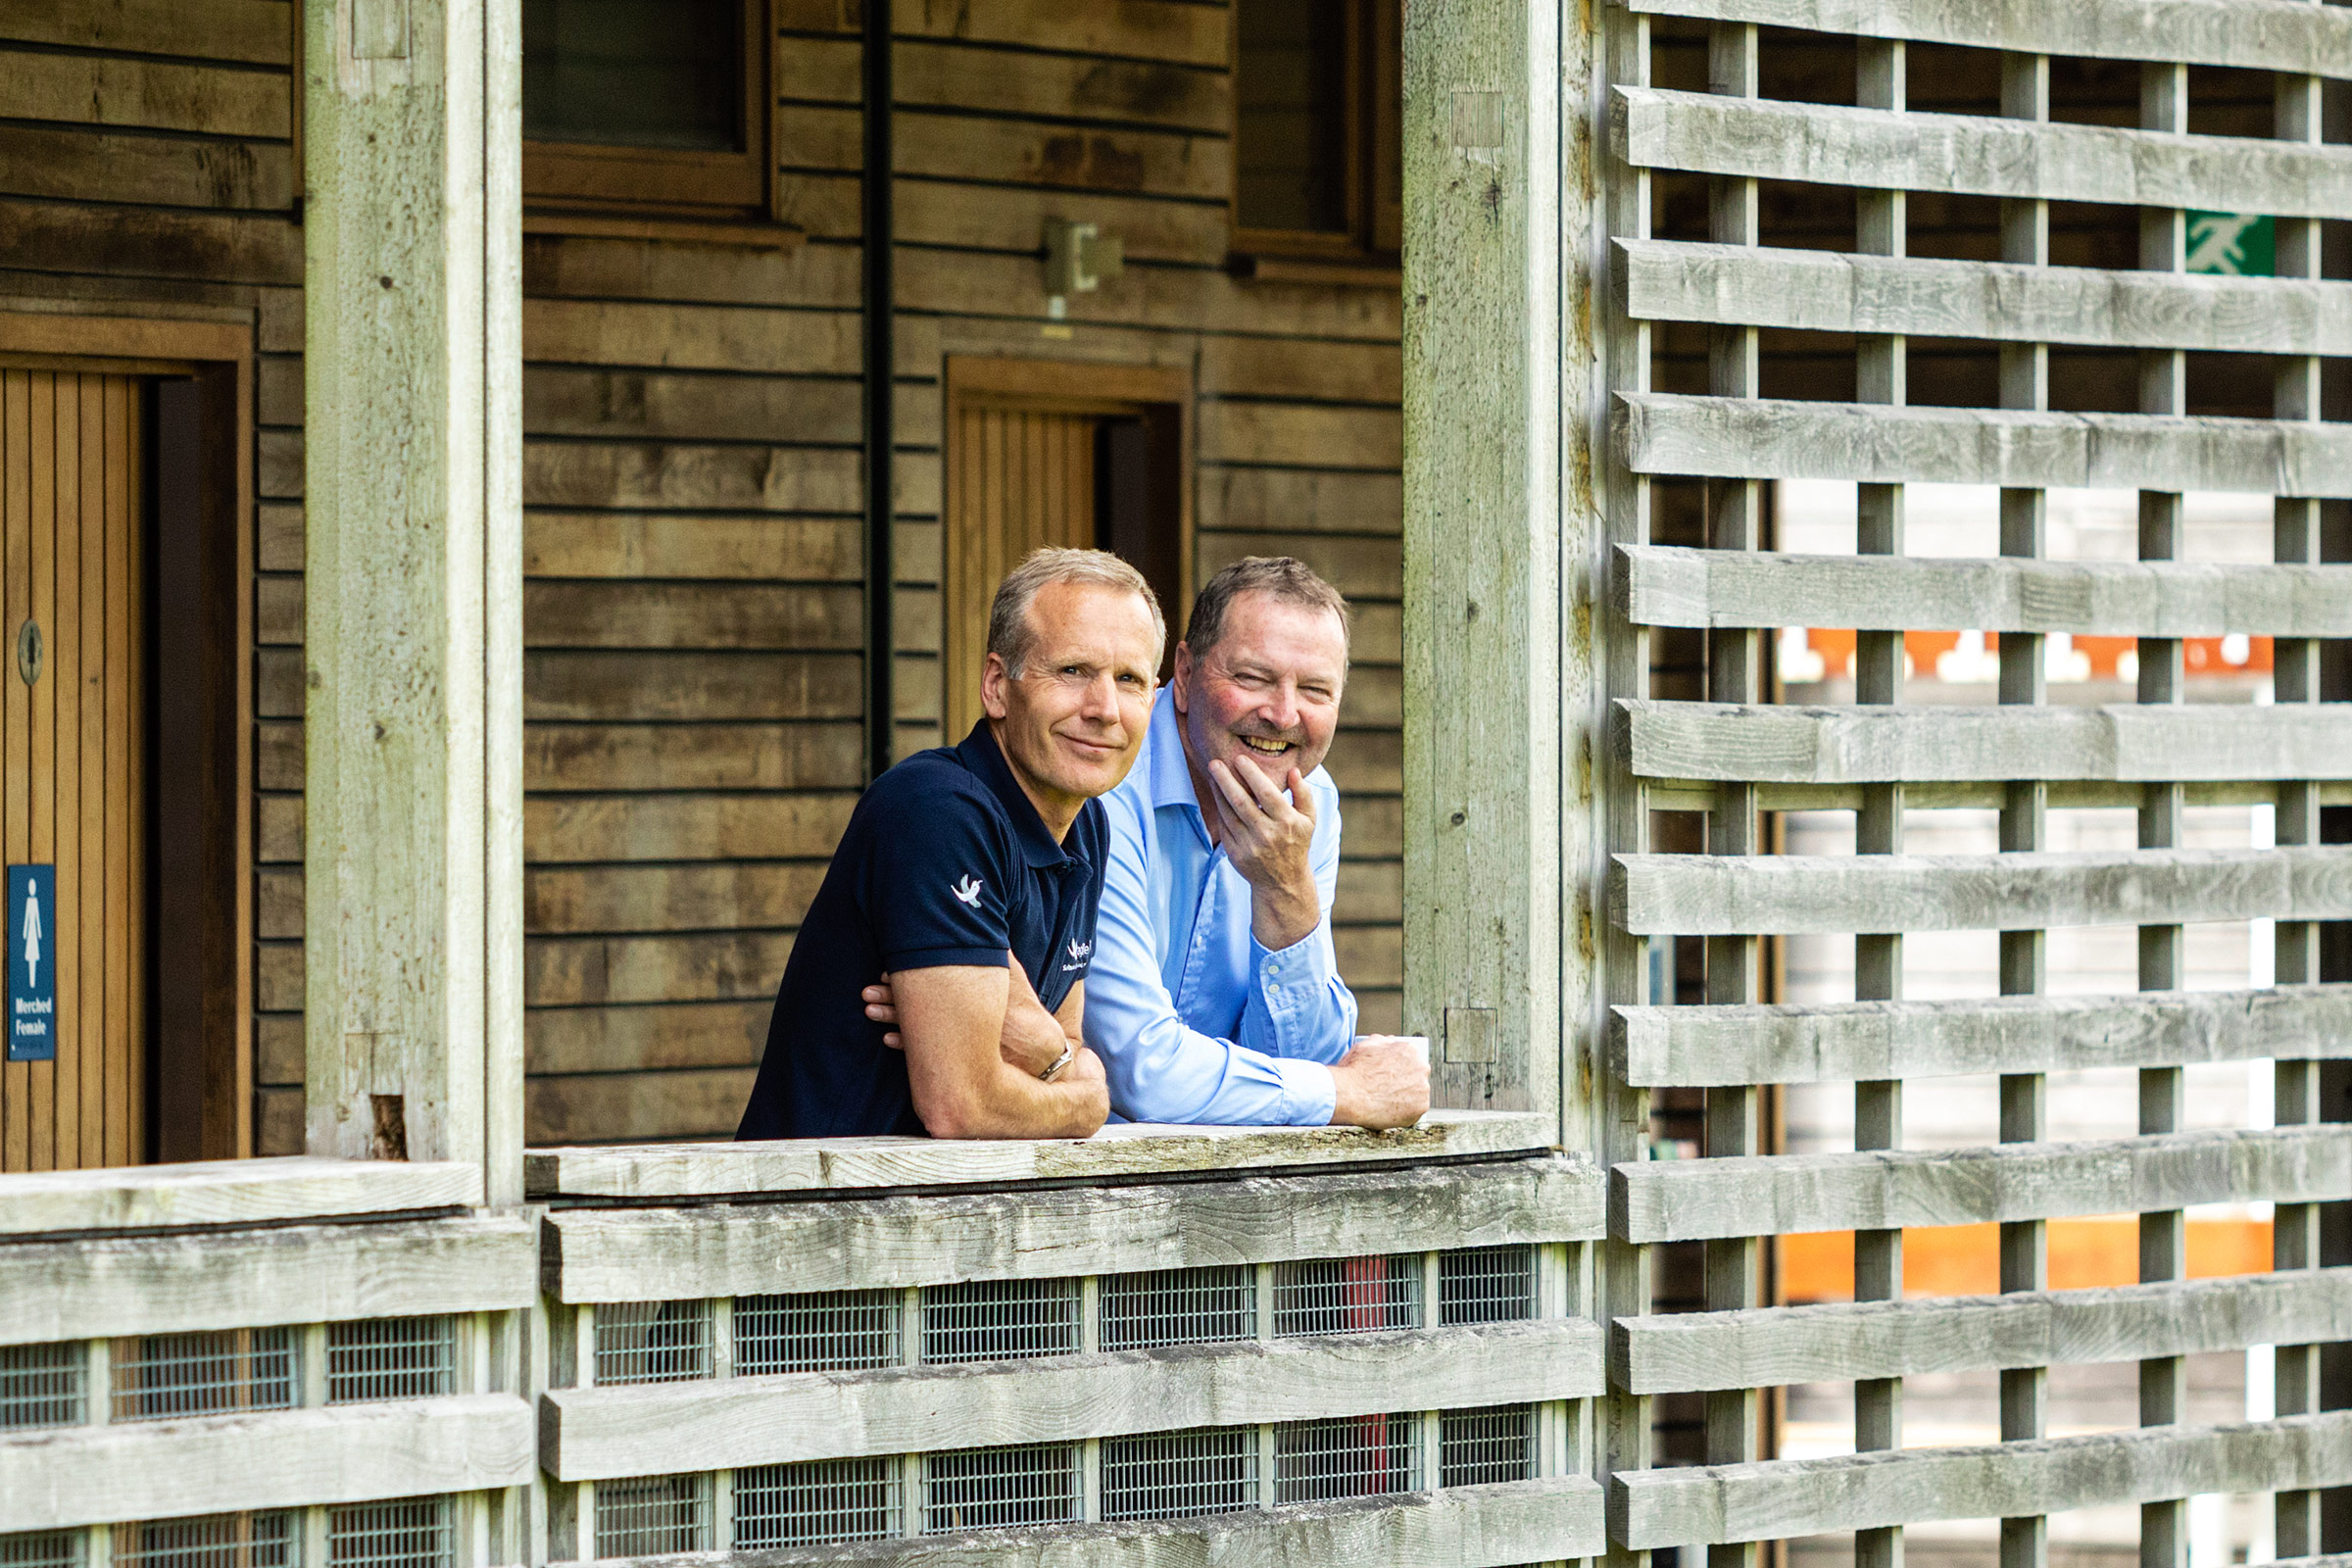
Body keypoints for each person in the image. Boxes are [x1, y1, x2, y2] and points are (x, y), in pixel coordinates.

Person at [734, 548, 1163, 1140]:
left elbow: (1055, 1038)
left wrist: (1041, 1048)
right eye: (1071, 671)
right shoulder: (938, 810)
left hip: (940, 1213)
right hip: (817, 1208)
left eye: (1129, 680)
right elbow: (964, 1104)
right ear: (996, 686)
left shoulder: (1087, 824)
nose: (1104, 709)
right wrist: (1086, 1099)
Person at [1080, 556, 1430, 1128]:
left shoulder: (1313, 799)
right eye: (1253, 678)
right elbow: (1139, 1071)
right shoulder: (1105, 778)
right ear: (1186, 676)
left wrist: (1288, 893)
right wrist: (1346, 1094)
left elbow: (1301, 1059)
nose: (1283, 714)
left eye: (1315, 689)